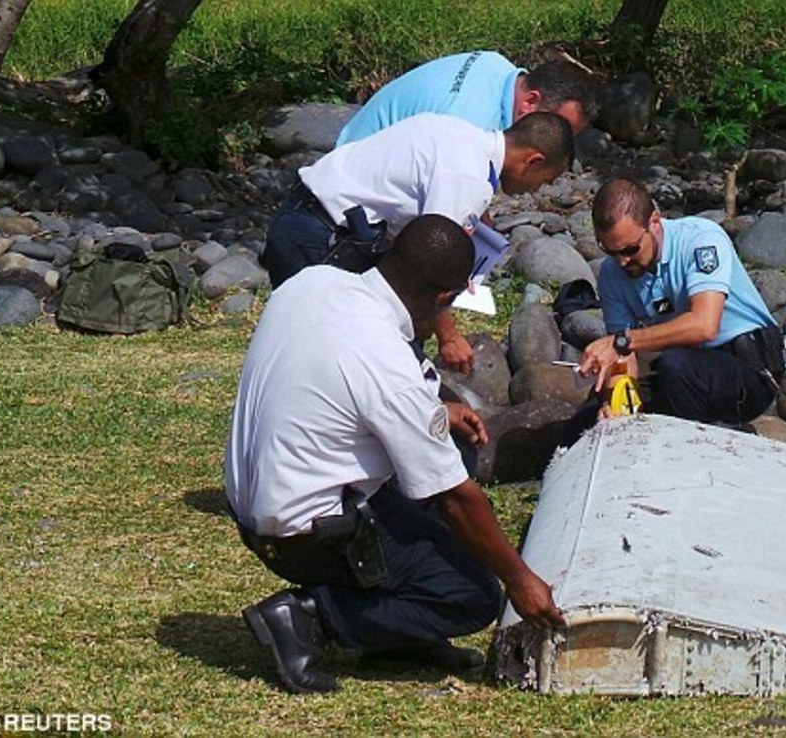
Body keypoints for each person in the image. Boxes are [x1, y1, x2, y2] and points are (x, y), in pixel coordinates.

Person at [227, 215, 566, 694]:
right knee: (469, 595)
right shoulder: (385, 361)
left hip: (254, 502)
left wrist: (438, 411)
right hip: (303, 533)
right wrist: (520, 578)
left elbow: (341, 384)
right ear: (444, 298)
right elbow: (457, 500)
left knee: (453, 456)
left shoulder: (314, 281)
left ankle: (399, 634)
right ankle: (309, 617)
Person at [261, 111, 574, 371]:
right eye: (543, 180)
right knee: (320, 354)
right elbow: (432, 262)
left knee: (307, 343)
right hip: (322, 237)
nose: (534, 190)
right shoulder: (469, 177)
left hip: (305, 215)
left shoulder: (458, 131)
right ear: (533, 160)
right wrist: (448, 336)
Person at [566, 177, 785, 440]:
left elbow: (704, 326)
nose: (623, 261)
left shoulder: (701, 240)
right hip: (686, 368)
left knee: (677, 366)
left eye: (631, 249)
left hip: (748, 371)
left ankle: (690, 451)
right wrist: (616, 404)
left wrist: (622, 341)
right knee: (587, 422)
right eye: (610, 251)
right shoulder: (613, 274)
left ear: (654, 223)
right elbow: (623, 358)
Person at [336, 50, 596, 146]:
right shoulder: (470, 126)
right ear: (530, 101)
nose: (557, 144)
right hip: (349, 196)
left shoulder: (496, 65)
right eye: (558, 130)